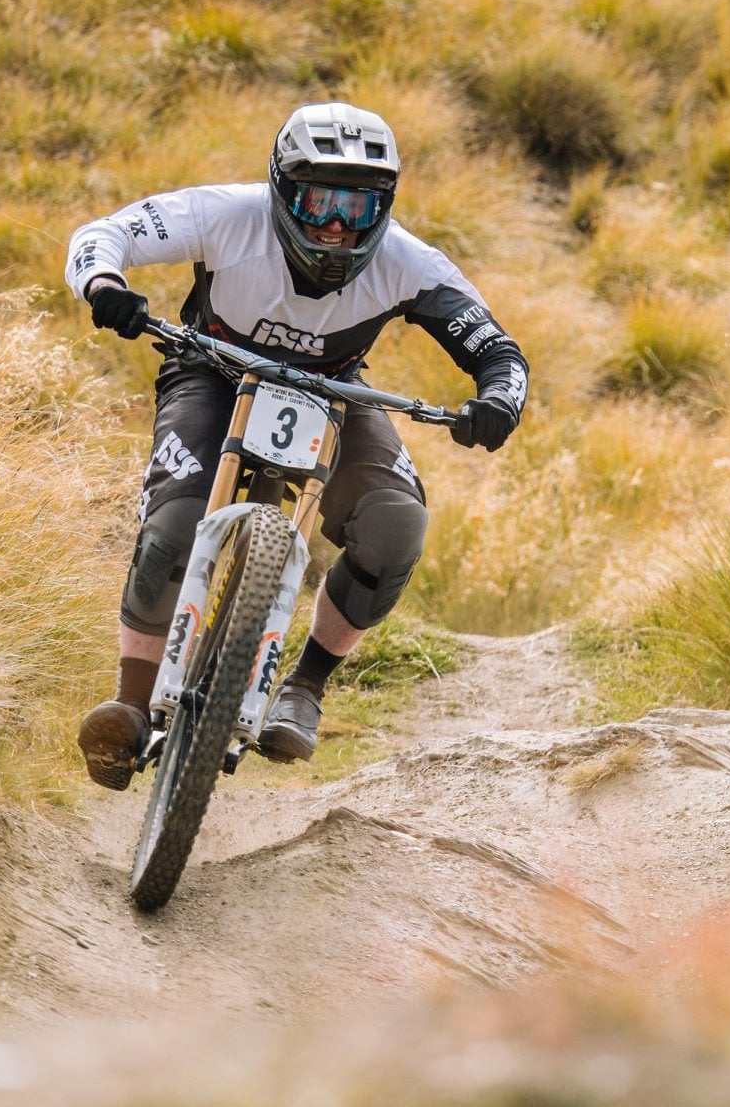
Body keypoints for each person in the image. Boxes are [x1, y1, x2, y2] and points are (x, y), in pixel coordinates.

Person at [66, 101, 529, 789]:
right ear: (283, 191)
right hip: (212, 369)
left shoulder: (407, 261)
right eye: (320, 204)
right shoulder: (226, 214)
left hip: (335, 393)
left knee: (395, 526)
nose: (339, 226)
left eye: (360, 208)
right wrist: (105, 285)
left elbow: (497, 350)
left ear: (386, 207)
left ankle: (304, 687)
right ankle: (130, 703)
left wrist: (497, 399)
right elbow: (104, 236)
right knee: (171, 524)